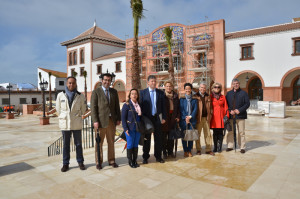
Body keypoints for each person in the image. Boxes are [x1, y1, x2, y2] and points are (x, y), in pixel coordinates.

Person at [56, 76, 87, 172]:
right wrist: (64, 116)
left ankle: (80, 162)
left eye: (73, 83)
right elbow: (58, 109)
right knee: (66, 145)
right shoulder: (60, 95)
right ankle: (65, 164)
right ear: (66, 83)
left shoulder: (80, 96)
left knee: (78, 144)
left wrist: (77, 115)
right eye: (69, 83)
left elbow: (83, 109)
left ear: (76, 84)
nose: (71, 85)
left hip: (76, 123)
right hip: (65, 124)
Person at [91, 72, 121, 169]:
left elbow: (117, 106)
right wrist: (95, 121)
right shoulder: (96, 92)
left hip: (111, 121)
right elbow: (93, 107)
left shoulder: (114, 92)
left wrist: (118, 119)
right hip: (100, 122)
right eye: (105, 80)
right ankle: (98, 162)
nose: (107, 82)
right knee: (99, 142)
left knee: (111, 142)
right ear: (102, 80)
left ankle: (111, 160)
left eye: (109, 80)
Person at [140, 75, 166, 164]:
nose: (153, 83)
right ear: (148, 82)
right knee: (147, 139)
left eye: (155, 81)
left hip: (157, 118)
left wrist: (164, 118)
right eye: (151, 81)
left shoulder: (160, 93)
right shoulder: (142, 93)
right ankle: (145, 157)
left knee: (158, 139)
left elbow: (164, 107)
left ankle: (158, 156)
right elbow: (140, 107)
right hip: (147, 119)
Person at [226, 78, 250, 153]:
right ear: (232, 84)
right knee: (230, 131)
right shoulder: (229, 93)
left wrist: (239, 110)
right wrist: (230, 111)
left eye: (237, 83)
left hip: (240, 116)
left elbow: (247, 104)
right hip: (231, 116)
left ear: (239, 84)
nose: (235, 85)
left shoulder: (244, 93)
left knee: (241, 132)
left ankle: (242, 147)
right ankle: (230, 146)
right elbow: (226, 104)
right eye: (234, 83)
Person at [121, 89, 142, 168]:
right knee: (130, 144)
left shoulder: (139, 104)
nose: (134, 95)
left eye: (135, 94)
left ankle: (135, 160)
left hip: (138, 128)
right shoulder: (126, 105)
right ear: (130, 95)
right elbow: (123, 118)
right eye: (132, 94)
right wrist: (125, 128)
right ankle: (130, 161)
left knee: (136, 144)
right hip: (130, 128)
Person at [194, 82, 214, 156]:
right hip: (198, 118)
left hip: (206, 118)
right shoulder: (195, 96)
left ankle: (208, 149)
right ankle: (198, 149)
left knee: (208, 134)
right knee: (197, 134)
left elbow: (211, 107)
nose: (203, 89)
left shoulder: (208, 96)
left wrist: (210, 114)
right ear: (199, 88)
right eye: (201, 87)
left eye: (204, 88)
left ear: (206, 89)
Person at [161, 81, 180, 159]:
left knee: (171, 137)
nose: (168, 87)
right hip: (165, 119)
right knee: (164, 138)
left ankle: (170, 152)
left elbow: (178, 108)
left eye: (170, 86)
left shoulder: (175, 96)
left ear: (172, 87)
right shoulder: (162, 96)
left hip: (173, 118)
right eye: (167, 86)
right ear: (165, 87)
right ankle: (164, 152)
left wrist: (178, 117)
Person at [180, 83, 198, 157]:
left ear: (191, 89)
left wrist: (190, 117)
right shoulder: (181, 99)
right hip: (183, 120)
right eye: (186, 89)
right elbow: (181, 109)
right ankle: (185, 150)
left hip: (192, 120)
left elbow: (195, 109)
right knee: (184, 136)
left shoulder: (194, 99)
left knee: (190, 136)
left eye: (189, 88)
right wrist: (185, 117)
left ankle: (189, 150)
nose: (188, 90)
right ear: (184, 89)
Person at [210, 82, 229, 153]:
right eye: (215, 87)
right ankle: (215, 147)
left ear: (220, 88)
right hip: (214, 118)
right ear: (212, 88)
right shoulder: (210, 97)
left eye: (218, 87)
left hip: (221, 117)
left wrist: (227, 116)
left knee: (221, 133)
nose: (217, 88)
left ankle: (219, 147)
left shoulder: (223, 97)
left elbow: (226, 107)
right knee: (215, 133)